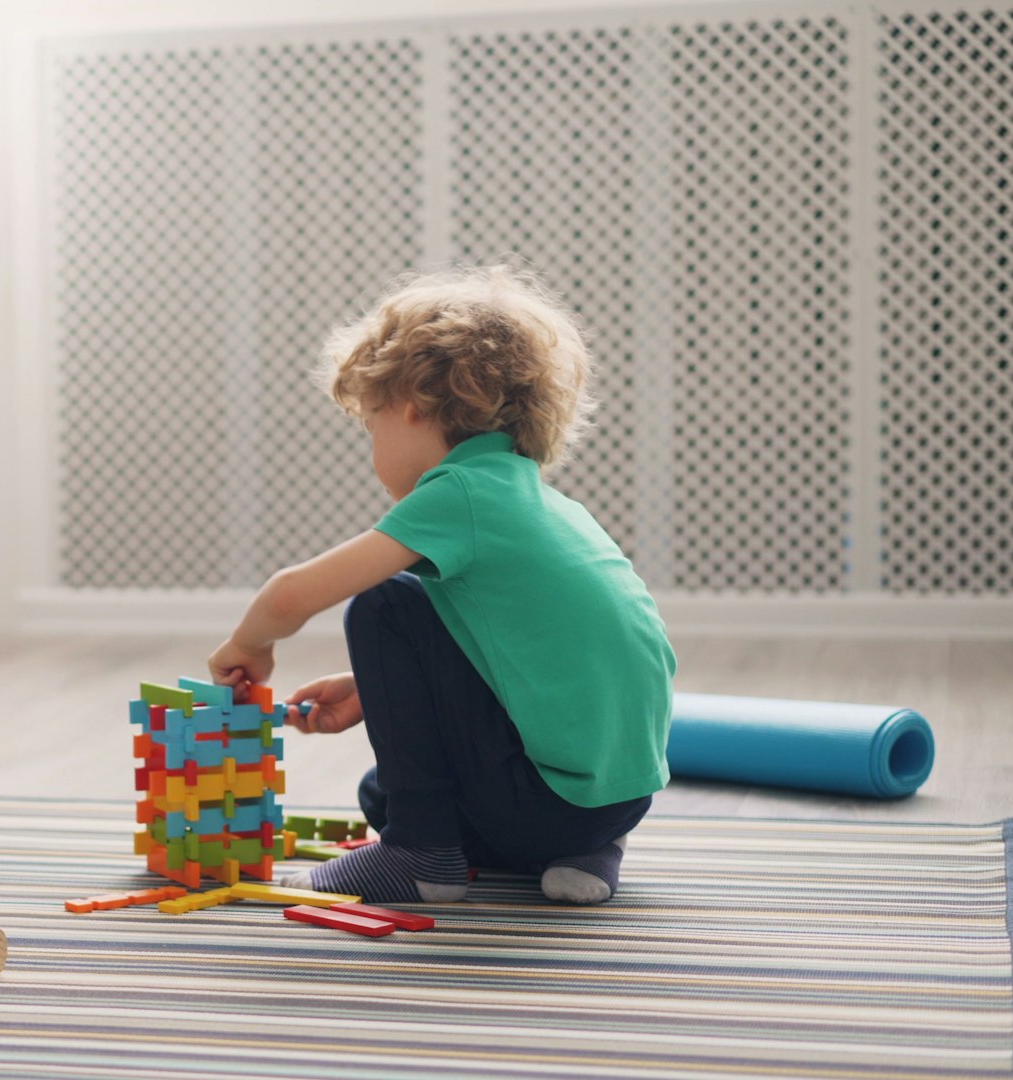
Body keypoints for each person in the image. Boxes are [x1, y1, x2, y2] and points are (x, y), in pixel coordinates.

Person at [207, 266, 672, 905]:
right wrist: (378, 688)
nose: (373, 456)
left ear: (411, 405)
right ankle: (591, 854)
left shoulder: (458, 493)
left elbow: (293, 595)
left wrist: (248, 645)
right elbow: (529, 658)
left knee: (387, 602)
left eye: (372, 428)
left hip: (539, 803)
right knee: (379, 791)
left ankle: (420, 857)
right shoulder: (542, 503)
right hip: (615, 802)